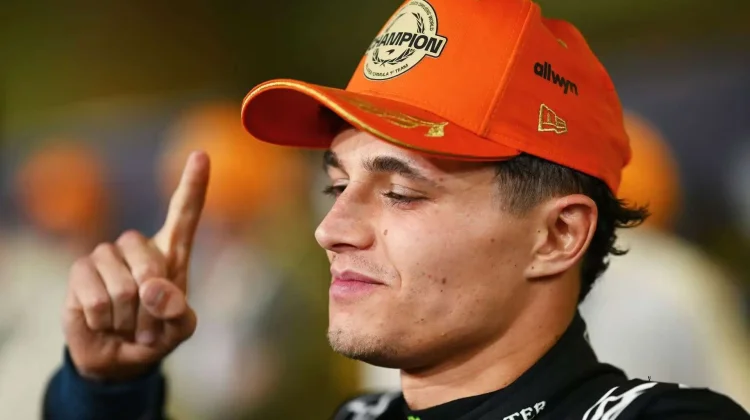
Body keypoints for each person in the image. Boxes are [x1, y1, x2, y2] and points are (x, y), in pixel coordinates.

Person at [43, 0, 750, 419]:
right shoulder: (364, 414)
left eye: (401, 192)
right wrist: (108, 387)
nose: (331, 229)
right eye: (336, 186)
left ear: (558, 235)